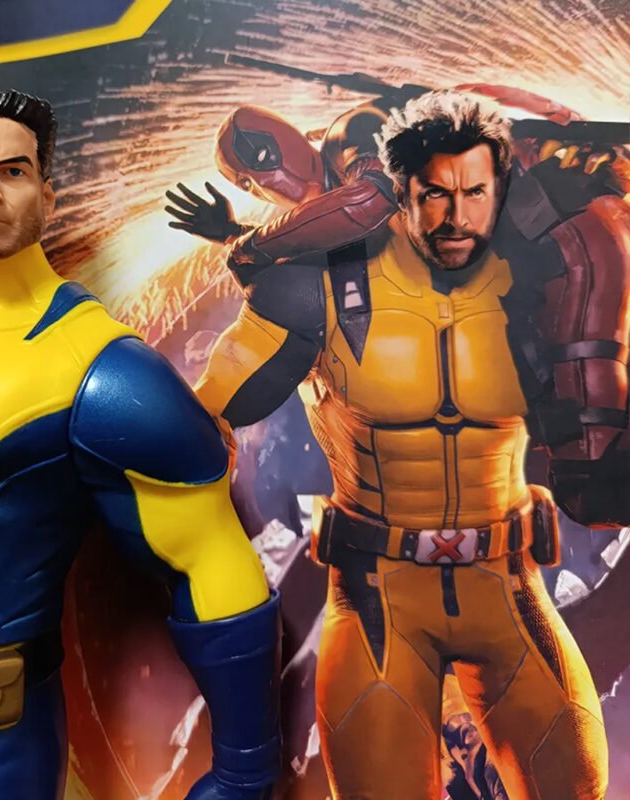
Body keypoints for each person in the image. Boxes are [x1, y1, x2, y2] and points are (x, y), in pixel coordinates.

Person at [0, 85, 281, 800]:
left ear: (46, 197)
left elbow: (209, 561)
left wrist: (244, 771)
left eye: (12, 171)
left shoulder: (102, 374)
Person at [191, 90, 630, 799]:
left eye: (473, 191)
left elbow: (597, 457)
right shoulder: (309, 288)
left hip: (511, 588)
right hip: (379, 599)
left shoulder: (542, 277)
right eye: (434, 190)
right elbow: (197, 424)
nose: (454, 213)